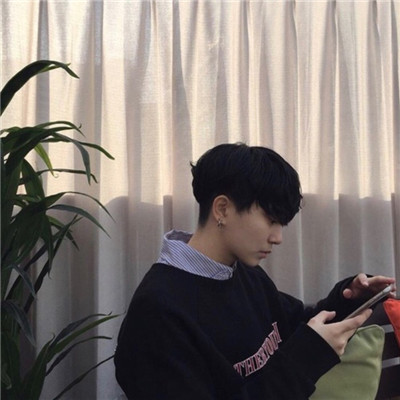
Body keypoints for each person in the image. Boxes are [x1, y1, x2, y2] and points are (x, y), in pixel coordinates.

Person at [114, 143, 396, 400]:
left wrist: (348, 297)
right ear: (222, 209)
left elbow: (295, 325)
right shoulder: (157, 314)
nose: (278, 238)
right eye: (271, 220)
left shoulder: (243, 272)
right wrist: (305, 360)